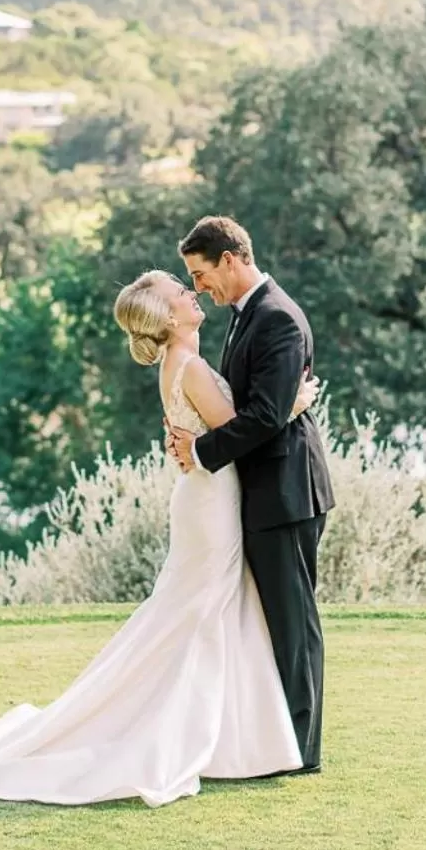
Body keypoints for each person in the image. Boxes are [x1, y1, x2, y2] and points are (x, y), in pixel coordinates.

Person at [0, 254, 321, 806]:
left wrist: (211, 438)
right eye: (181, 292)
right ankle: (181, 734)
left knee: (199, 612)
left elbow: (225, 424)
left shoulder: (181, 359)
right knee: (196, 614)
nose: (193, 294)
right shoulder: (188, 365)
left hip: (207, 496)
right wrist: (292, 404)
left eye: (190, 285)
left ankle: (231, 735)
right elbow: (241, 426)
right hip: (211, 504)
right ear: (168, 318)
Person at [167, 215, 335, 774]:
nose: (198, 287)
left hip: (287, 494)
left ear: (232, 260)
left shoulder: (278, 319)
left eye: (201, 272)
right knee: (273, 622)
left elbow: (264, 416)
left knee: (293, 623)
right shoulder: (245, 316)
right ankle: (274, 739)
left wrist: (204, 450)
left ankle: (300, 752)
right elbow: (252, 407)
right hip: (261, 491)